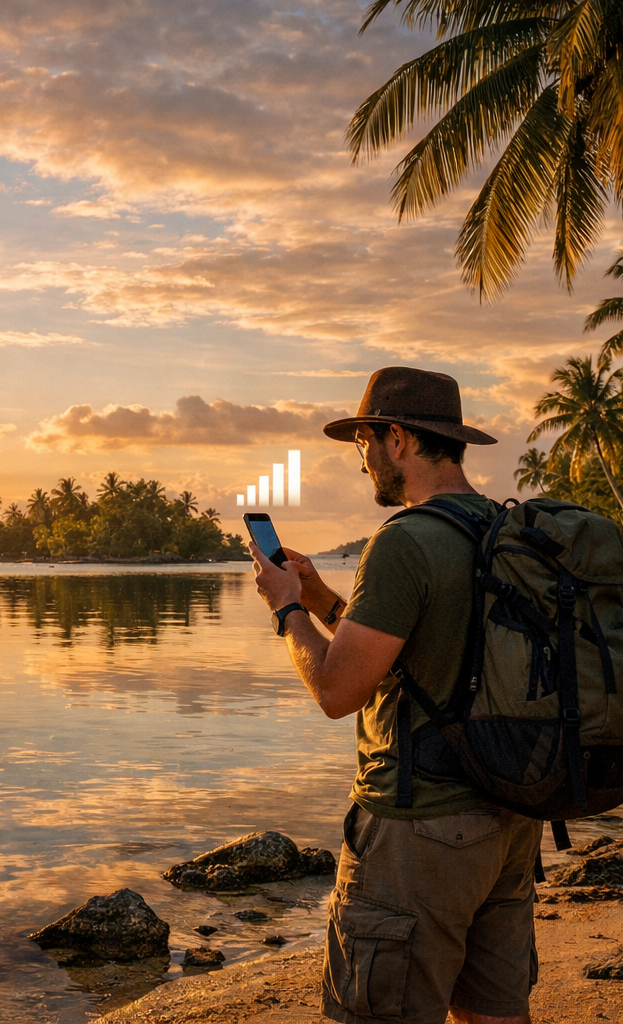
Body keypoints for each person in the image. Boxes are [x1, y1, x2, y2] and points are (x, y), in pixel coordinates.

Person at [251, 366, 541, 1024]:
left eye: (365, 445)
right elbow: (427, 647)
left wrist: (287, 610)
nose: (362, 464)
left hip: (421, 830)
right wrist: (324, 600)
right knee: (495, 1014)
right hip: (510, 815)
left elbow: (336, 690)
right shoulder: (504, 530)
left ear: (399, 440)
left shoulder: (405, 541)